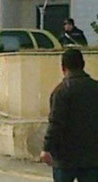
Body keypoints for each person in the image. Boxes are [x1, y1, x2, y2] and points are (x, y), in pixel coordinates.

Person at [40, 49, 98, 182]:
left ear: (63, 68)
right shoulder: (95, 88)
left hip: (65, 157)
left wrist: (46, 148)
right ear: (83, 64)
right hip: (93, 157)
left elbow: (56, 123)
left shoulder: (61, 92)